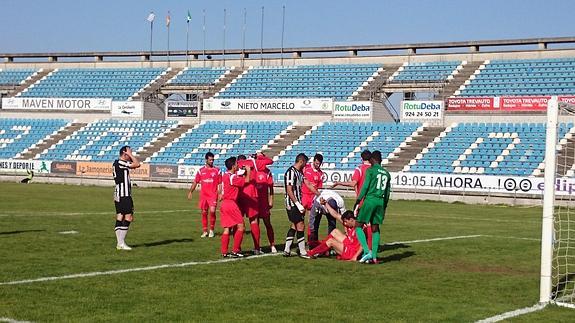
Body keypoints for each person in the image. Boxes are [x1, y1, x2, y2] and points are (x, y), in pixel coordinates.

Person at [354, 150, 391, 264]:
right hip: (380, 202)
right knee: (375, 228)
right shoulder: (386, 174)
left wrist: (358, 201)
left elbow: (365, 187)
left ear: (374, 159)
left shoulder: (370, 170)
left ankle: (367, 251)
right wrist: (384, 207)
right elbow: (388, 193)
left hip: (370, 200)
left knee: (358, 225)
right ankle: (374, 257)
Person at [331, 149, 373, 248]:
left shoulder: (359, 169)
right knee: (371, 226)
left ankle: (356, 247)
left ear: (362, 158)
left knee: (357, 225)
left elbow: (353, 183)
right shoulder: (374, 170)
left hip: (362, 203)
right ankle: (371, 248)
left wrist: (339, 183)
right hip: (373, 202)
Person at [237, 153, 273, 254]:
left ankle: (237, 248)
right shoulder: (255, 163)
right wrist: (260, 156)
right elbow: (270, 161)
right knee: (253, 221)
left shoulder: (238, 164)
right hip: (251, 194)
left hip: (239, 195)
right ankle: (257, 248)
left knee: (239, 223)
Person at [220, 156, 251, 258]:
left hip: (224, 203)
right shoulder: (233, 177)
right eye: (237, 164)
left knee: (227, 228)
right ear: (233, 166)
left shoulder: (225, 175)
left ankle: (224, 251)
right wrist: (248, 170)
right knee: (241, 226)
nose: (238, 165)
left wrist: (242, 171)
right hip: (231, 203)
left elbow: (237, 175)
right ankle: (236, 250)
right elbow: (246, 181)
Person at [113, 146, 141, 250]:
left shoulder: (116, 163)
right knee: (128, 217)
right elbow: (137, 164)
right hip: (124, 195)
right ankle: (121, 243)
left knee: (120, 216)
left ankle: (120, 243)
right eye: (129, 152)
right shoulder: (121, 162)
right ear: (125, 153)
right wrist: (130, 155)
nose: (131, 154)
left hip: (119, 194)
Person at [187, 152, 221, 238]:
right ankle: (205, 231)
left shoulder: (217, 170)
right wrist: (191, 191)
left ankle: (212, 230)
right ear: (206, 160)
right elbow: (195, 182)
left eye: (213, 160)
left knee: (212, 211)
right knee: (204, 212)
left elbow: (220, 183)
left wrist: (220, 193)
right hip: (204, 195)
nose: (212, 161)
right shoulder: (201, 170)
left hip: (213, 194)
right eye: (210, 160)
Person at [283, 153, 310, 258]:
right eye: (305, 163)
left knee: (294, 225)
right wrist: (298, 204)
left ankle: (286, 249)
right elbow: (289, 190)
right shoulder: (291, 172)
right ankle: (303, 251)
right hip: (292, 203)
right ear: (301, 161)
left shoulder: (299, 172)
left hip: (296, 202)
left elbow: (306, 183)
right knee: (300, 225)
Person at [302, 154, 324, 244]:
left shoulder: (321, 174)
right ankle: (298, 239)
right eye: (316, 163)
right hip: (304, 195)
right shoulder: (306, 168)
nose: (317, 165)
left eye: (319, 164)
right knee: (299, 219)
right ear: (314, 161)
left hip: (313, 197)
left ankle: (309, 240)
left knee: (311, 220)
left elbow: (319, 188)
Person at [255, 163, 277, 253]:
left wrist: (271, 199)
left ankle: (272, 245)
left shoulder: (267, 172)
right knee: (256, 225)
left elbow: (271, 187)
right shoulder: (253, 171)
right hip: (255, 202)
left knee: (267, 224)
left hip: (264, 203)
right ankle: (257, 246)